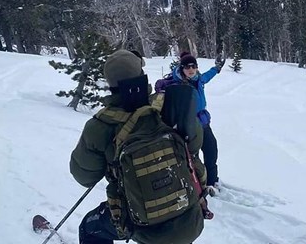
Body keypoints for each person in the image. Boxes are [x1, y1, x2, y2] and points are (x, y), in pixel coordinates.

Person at [70, 49, 205, 244]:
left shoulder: (100, 125)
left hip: (143, 227)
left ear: (110, 84)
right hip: (189, 216)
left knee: (90, 227)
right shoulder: (168, 105)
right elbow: (194, 144)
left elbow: (84, 177)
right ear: (142, 76)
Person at [155, 52, 225, 192]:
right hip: (188, 125)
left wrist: (216, 69)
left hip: (203, 122)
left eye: (193, 66)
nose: (191, 69)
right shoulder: (176, 83)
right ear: (182, 68)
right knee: (193, 156)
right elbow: (162, 93)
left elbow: (207, 76)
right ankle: (198, 184)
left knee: (211, 150)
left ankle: (212, 181)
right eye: (187, 67)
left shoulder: (199, 79)